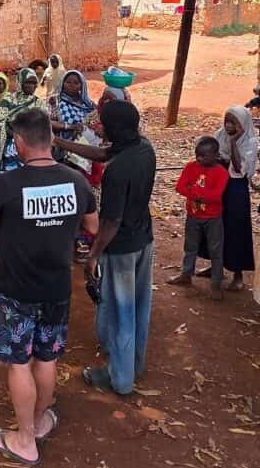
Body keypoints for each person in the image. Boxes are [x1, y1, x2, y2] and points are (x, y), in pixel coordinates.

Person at [0, 108, 99, 465]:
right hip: (58, 287)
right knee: (47, 358)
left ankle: (25, 439)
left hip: (16, 289)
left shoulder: (9, 184)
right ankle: (41, 421)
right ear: (50, 139)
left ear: (19, 142)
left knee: (19, 363)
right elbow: (92, 225)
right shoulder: (77, 180)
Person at [82, 101, 157, 396]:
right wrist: (57, 141)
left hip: (121, 247)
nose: (99, 127)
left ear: (114, 128)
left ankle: (120, 379)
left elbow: (111, 222)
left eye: (103, 123)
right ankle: (133, 364)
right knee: (139, 307)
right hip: (144, 240)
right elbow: (102, 153)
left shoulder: (116, 173)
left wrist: (93, 255)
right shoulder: (143, 148)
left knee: (119, 312)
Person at [167, 136, 228, 300]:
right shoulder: (190, 167)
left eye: (203, 155)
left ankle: (215, 284)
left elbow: (216, 196)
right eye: (197, 154)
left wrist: (193, 191)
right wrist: (200, 195)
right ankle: (186, 275)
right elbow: (179, 187)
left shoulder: (221, 173)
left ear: (215, 155)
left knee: (216, 251)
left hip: (213, 217)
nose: (199, 158)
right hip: (193, 215)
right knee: (190, 247)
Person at [214, 106, 257, 291]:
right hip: (219, 184)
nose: (228, 125)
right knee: (216, 225)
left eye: (233, 122)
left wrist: (233, 142)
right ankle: (215, 265)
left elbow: (239, 169)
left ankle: (237, 273)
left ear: (243, 125)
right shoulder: (219, 134)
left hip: (236, 189)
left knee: (236, 228)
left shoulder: (250, 142)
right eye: (226, 120)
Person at [0, 68, 47, 172]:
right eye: (28, 82)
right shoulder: (9, 99)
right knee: (11, 178)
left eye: (34, 83)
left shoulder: (38, 103)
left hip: (32, 146)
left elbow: (43, 126)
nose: (32, 86)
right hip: (10, 147)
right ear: (20, 82)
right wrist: (17, 133)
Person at [48, 70, 97, 163]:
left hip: (88, 145)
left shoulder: (87, 102)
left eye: (76, 83)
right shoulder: (54, 100)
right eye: (68, 82)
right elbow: (48, 123)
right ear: (63, 83)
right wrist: (71, 127)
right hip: (63, 146)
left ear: (81, 86)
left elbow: (96, 118)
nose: (71, 85)